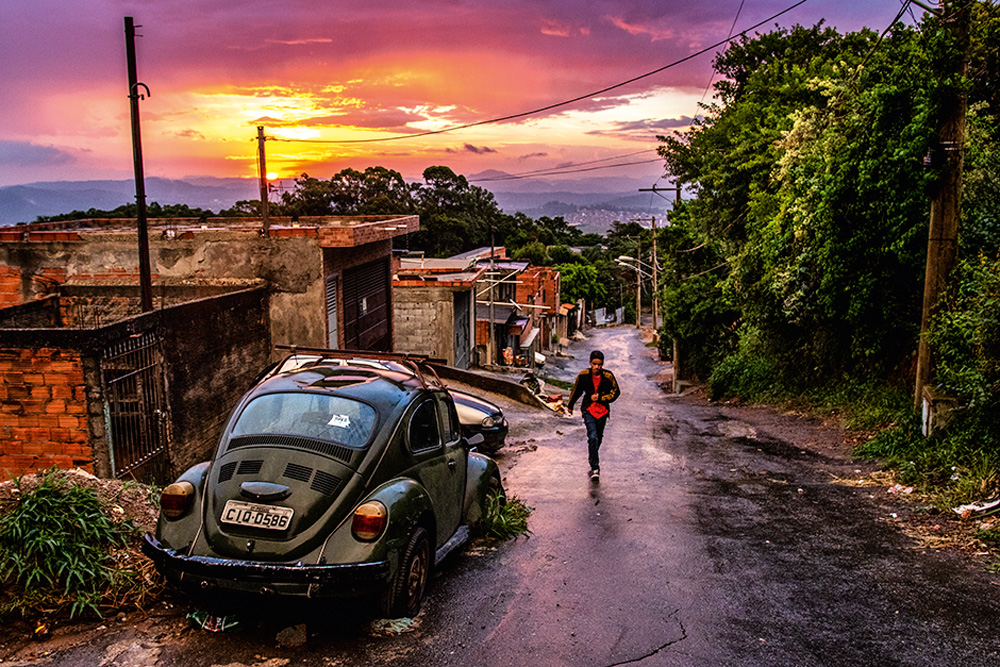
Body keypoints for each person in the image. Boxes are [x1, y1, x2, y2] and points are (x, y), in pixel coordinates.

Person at [567, 350, 620, 481]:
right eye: (594, 364)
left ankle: (593, 457)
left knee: (598, 438)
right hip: (588, 410)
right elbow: (576, 390)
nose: (597, 367)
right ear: (590, 363)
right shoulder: (583, 375)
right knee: (593, 437)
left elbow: (616, 391)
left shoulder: (608, 376)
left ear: (602, 364)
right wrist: (570, 405)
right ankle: (595, 467)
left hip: (602, 411)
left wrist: (602, 398)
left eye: (599, 364)